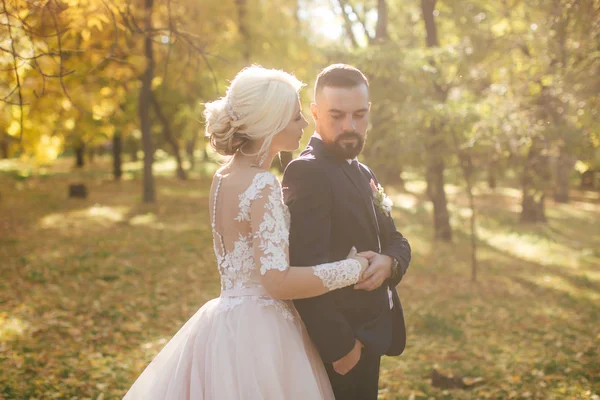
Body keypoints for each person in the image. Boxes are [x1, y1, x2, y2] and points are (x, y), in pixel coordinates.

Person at [122, 66, 370, 400]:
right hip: (261, 334)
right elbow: (276, 281)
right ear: (273, 120)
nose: (304, 124)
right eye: (297, 117)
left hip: (224, 323)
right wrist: (351, 269)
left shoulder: (222, 178)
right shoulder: (263, 184)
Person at [282, 63, 412, 400]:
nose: (349, 126)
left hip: (371, 337)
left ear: (369, 112)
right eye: (336, 116)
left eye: (358, 115)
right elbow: (302, 269)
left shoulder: (363, 170)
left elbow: (396, 240)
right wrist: (341, 350)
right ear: (314, 112)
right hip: (339, 348)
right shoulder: (306, 172)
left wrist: (389, 263)